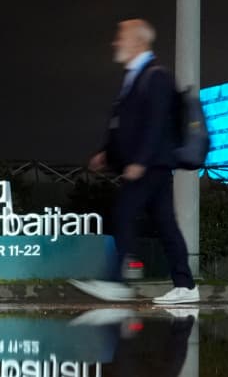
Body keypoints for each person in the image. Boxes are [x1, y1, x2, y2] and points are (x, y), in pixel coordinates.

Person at [72, 19, 199, 306]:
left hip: (150, 164)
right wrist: (107, 152)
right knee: (165, 224)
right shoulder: (137, 76)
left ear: (138, 42)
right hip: (149, 163)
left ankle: (117, 282)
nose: (116, 42)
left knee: (124, 214)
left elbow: (156, 124)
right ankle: (185, 285)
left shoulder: (156, 76)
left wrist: (139, 161)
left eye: (122, 37)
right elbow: (127, 122)